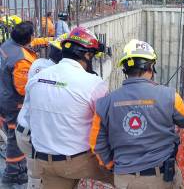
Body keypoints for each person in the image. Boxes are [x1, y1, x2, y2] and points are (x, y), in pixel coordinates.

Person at [90, 39, 184, 189]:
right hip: (160, 179)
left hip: (124, 179)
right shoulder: (168, 95)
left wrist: (111, 164)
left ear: (125, 69)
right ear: (151, 67)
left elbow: (96, 143)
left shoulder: (105, 102)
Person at [24, 27, 112, 188]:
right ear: (87, 55)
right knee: (124, 175)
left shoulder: (37, 79)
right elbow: (108, 124)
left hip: (43, 160)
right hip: (77, 161)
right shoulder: (93, 84)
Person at [0, 21, 51, 185]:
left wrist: (47, 40)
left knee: (10, 132)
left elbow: (28, 44)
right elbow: (23, 89)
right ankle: (13, 173)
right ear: (27, 38)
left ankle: (15, 168)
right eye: (33, 35)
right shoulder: (21, 60)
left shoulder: (8, 45)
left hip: (3, 94)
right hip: (14, 104)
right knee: (15, 139)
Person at [16, 33, 68, 189]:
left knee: (37, 171)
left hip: (23, 128)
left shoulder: (38, 63)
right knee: (37, 176)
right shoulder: (57, 73)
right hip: (34, 134)